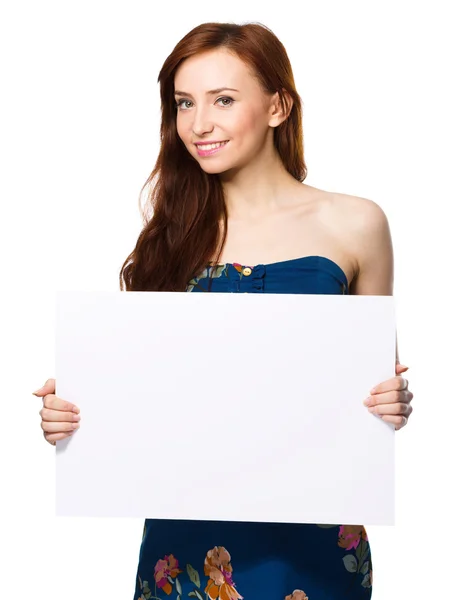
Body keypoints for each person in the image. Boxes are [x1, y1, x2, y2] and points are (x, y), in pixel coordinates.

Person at [33, 21, 414, 600]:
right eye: (184, 103)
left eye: (224, 100)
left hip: (313, 542)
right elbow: (152, 395)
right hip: (187, 542)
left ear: (278, 106)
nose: (198, 124)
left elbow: (370, 389)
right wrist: (79, 416)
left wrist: (392, 402)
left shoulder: (357, 224)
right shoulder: (171, 236)